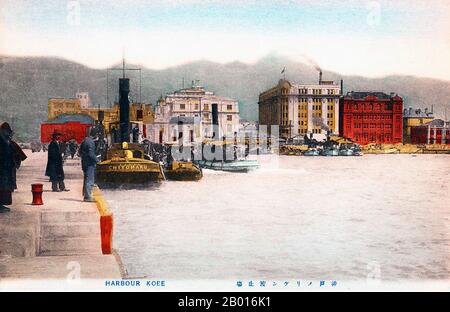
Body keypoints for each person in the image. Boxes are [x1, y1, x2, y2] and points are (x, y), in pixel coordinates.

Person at [0, 122, 26, 213]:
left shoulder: (7, 140)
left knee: (5, 187)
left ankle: (2, 204)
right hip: (3, 168)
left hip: (6, 168)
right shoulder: (3, 140)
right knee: (3, 186)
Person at [79, 128, 98, 202]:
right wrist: (97, 160)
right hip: (90, 164)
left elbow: (80, 152)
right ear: (95, 135)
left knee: (86, 178)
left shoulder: (84, 140)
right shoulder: (91, 142)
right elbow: (91, 154)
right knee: (90, 179)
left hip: (84, 162)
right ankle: (88, 197)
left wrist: (84, 157)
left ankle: (85, 194)